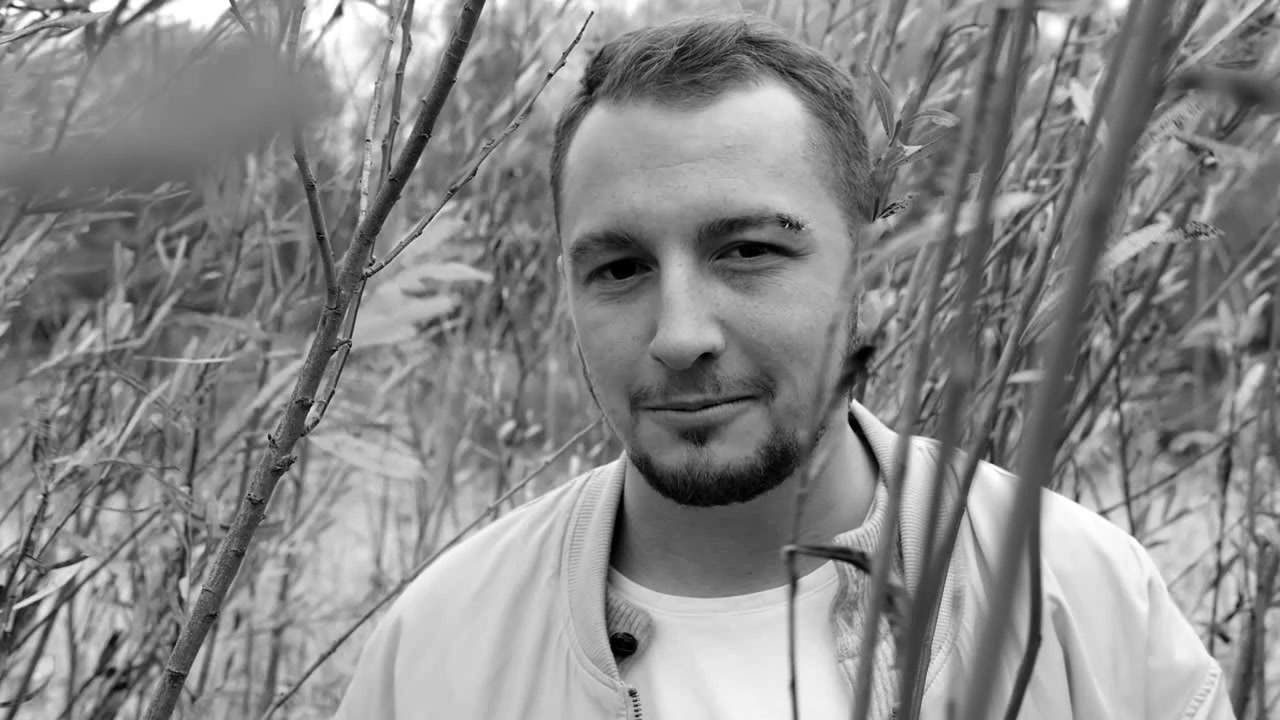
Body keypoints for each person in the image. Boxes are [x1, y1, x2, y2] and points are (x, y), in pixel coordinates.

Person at [333, 12, 1235, 720]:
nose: (679, 335)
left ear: (869, 271)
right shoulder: (438, 652)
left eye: (749, 252)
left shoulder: (1078, 597)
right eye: (620, 268)